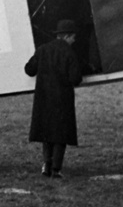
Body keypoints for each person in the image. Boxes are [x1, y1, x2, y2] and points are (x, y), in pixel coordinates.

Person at [24, 19, 83, 178]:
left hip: (43, 98)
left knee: (46, 133)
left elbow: (29, 70)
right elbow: (75, 78)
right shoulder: (69, 53)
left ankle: (46, 166)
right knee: (60, 135)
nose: (74, 40)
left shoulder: (43, 50)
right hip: (62, 99)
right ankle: (56, 169)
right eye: (73, 37)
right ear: (67, 37)